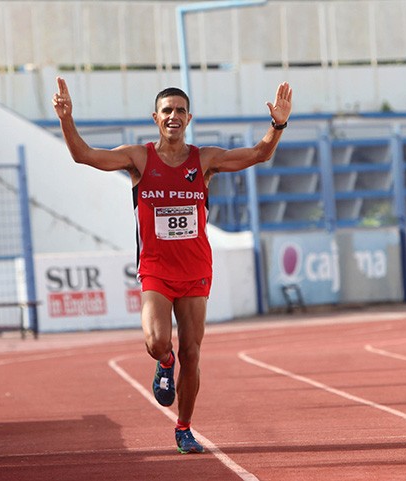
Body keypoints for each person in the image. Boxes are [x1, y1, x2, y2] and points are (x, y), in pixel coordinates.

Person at [52, 76, 293, 454]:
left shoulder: (206, 160)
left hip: (195, 269)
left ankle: (184, 427)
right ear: (156, 117)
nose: (174, 116)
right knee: (157, 341)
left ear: (189, 117)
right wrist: (67, 119)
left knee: (193, 354)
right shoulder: (139, 158)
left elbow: (259, 154)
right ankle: (164, 362)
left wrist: (277, 125)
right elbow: (84, 154)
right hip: (156, 270)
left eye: (181, 110)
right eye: (167, 110)